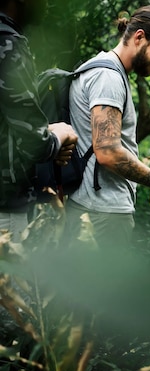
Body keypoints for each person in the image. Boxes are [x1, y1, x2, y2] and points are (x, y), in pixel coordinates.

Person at [63, 5, 150, 249]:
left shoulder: (106, 70)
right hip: (103, 212)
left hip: (94, 207)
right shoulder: (108, 78)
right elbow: (108, 153)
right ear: (139, 37)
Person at [0, 0, 78, 243]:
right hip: (5, 206)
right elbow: (34, 144)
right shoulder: (8, 44)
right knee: (14, 281)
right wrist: (61, 134)